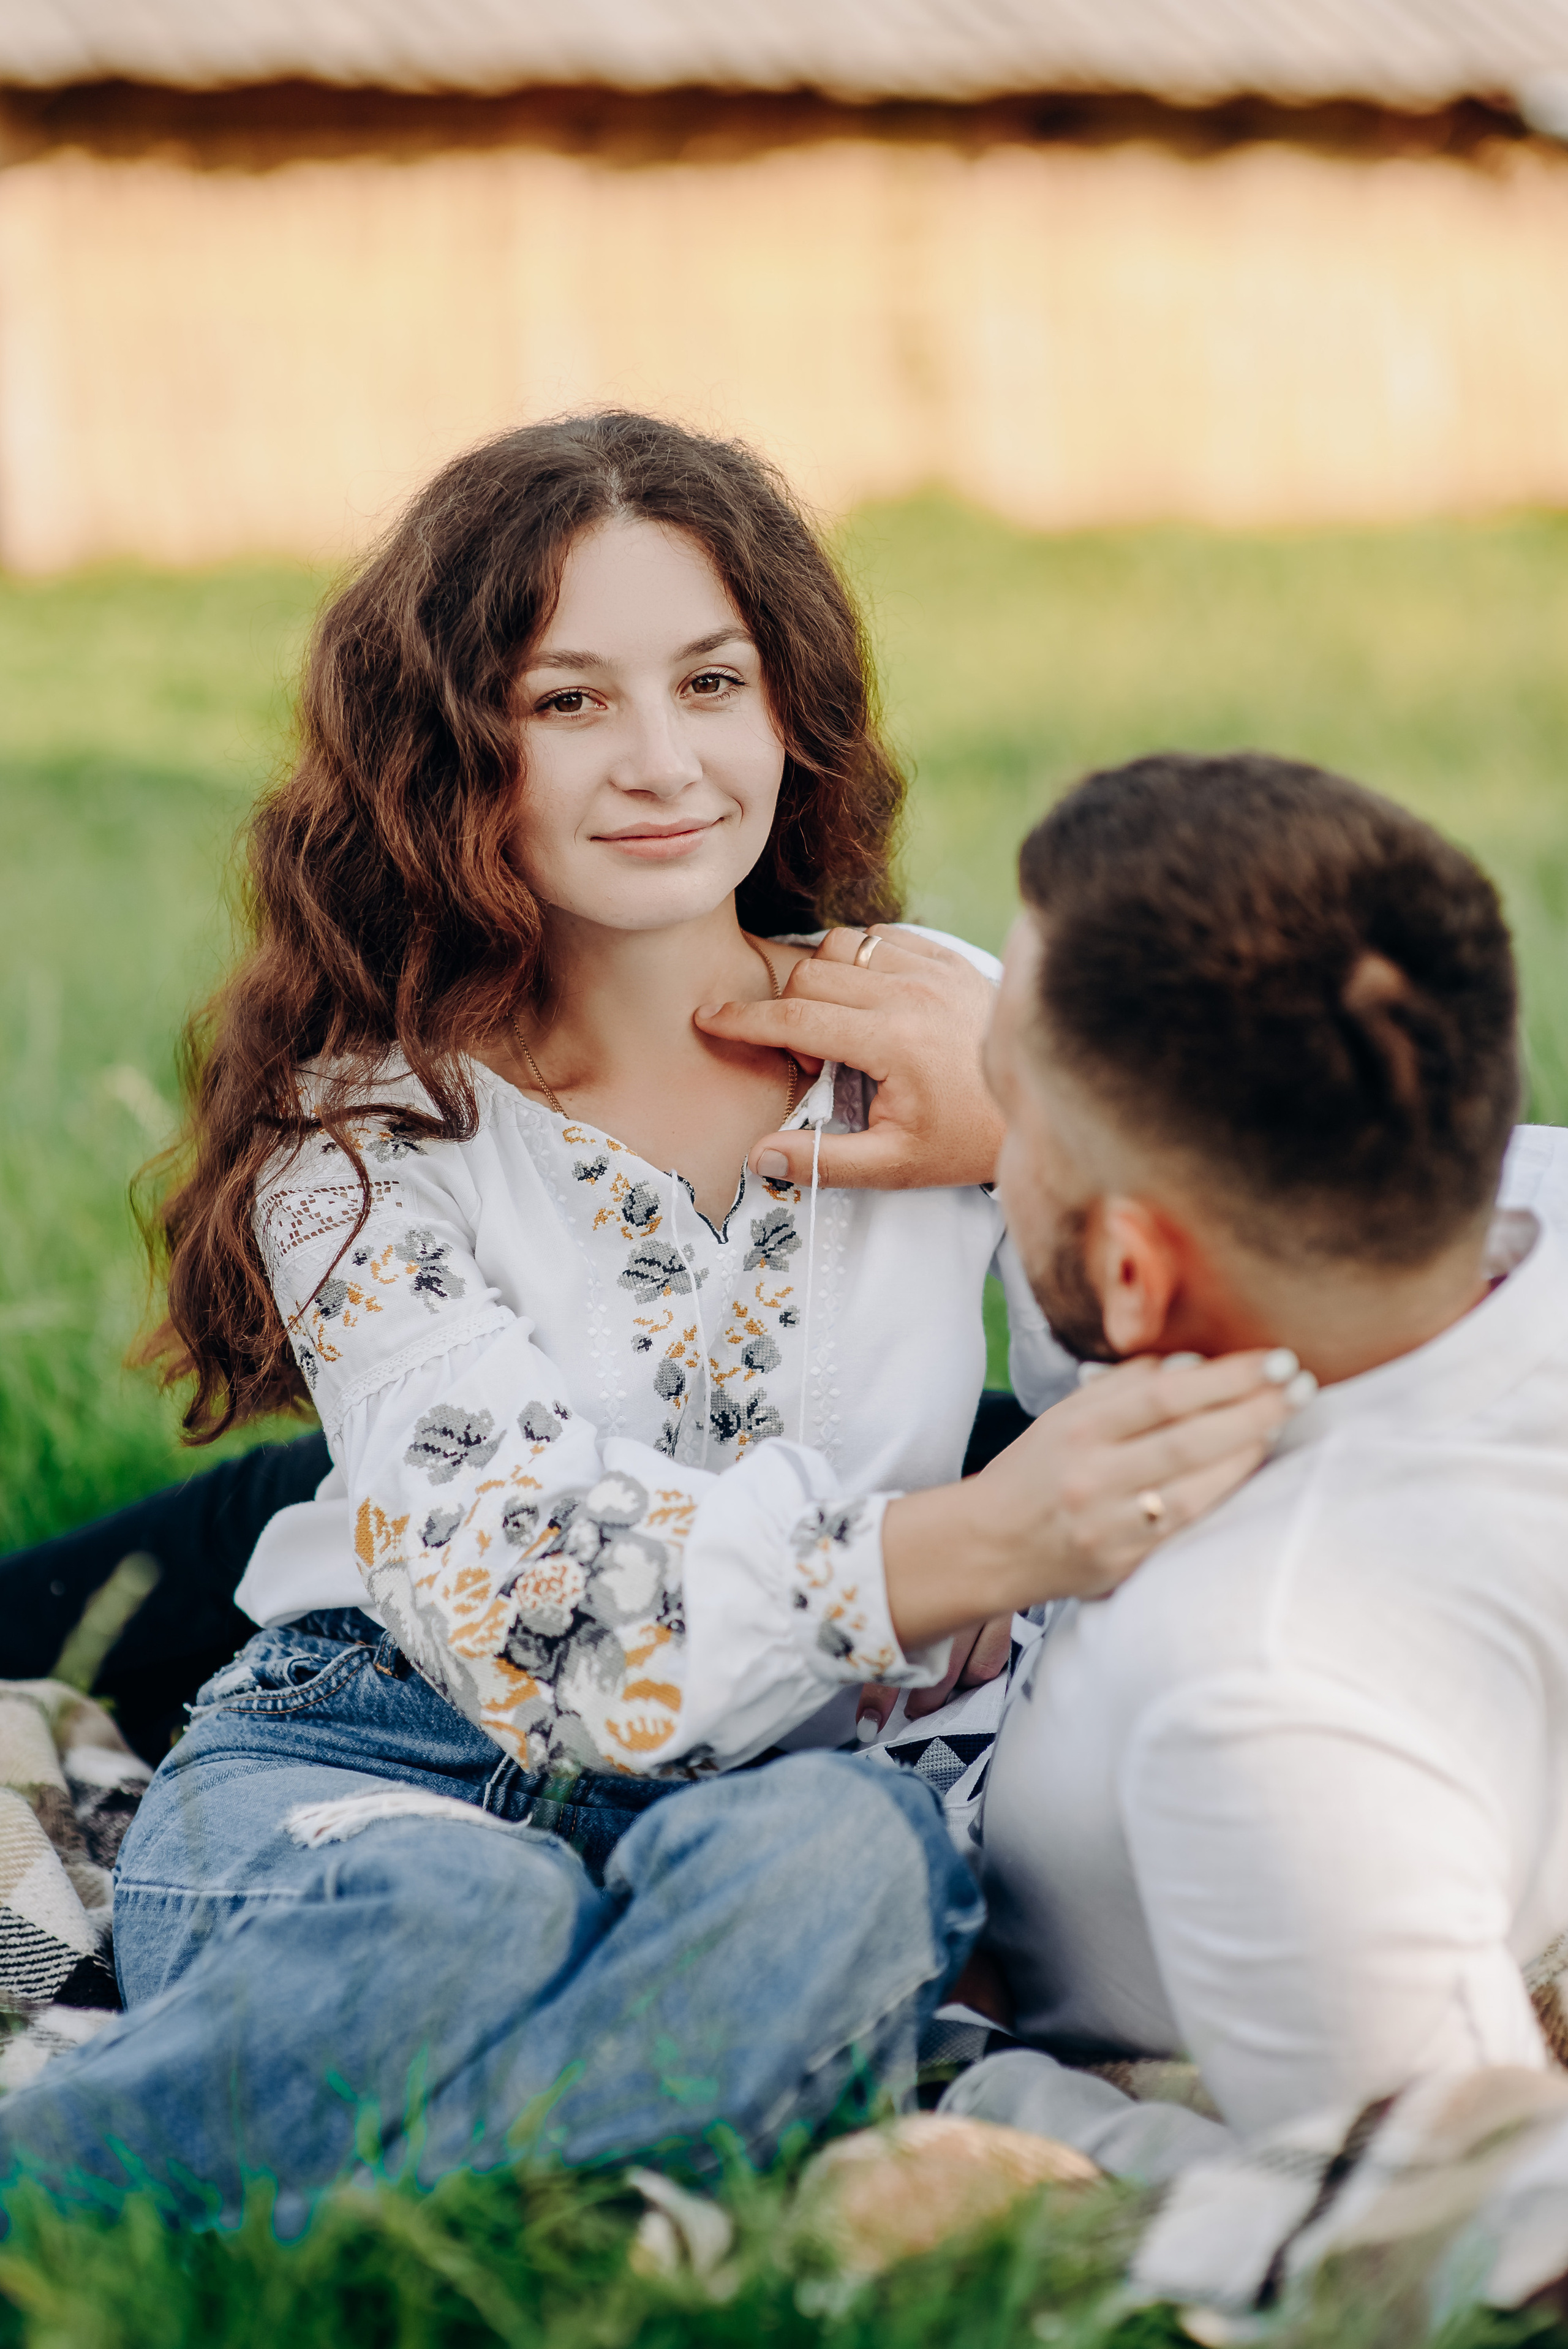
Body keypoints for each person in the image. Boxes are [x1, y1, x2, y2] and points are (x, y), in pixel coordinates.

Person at [0, 422, 1295, 2212]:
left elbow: (1224, 1321)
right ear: (447, 751)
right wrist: (964, 1545)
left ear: (792, 712)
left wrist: (1028, 1135)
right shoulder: (364, 1140)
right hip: (382, 1746)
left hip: (783, 1788)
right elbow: (531, 1602)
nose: (666, 762)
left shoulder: (943, 1020)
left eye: (712, 681)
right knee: (459, 1913)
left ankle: (358, 2221)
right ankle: (425, 2196)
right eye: (570, 702)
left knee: (855, 1862)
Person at [938, 750, 1568, 2175]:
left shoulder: (1260, 1685)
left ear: (1131, 1265)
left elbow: (1436, 2232)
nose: (990, 1141)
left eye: (1004, 1105)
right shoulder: (1505, 1205)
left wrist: (968, 2096)